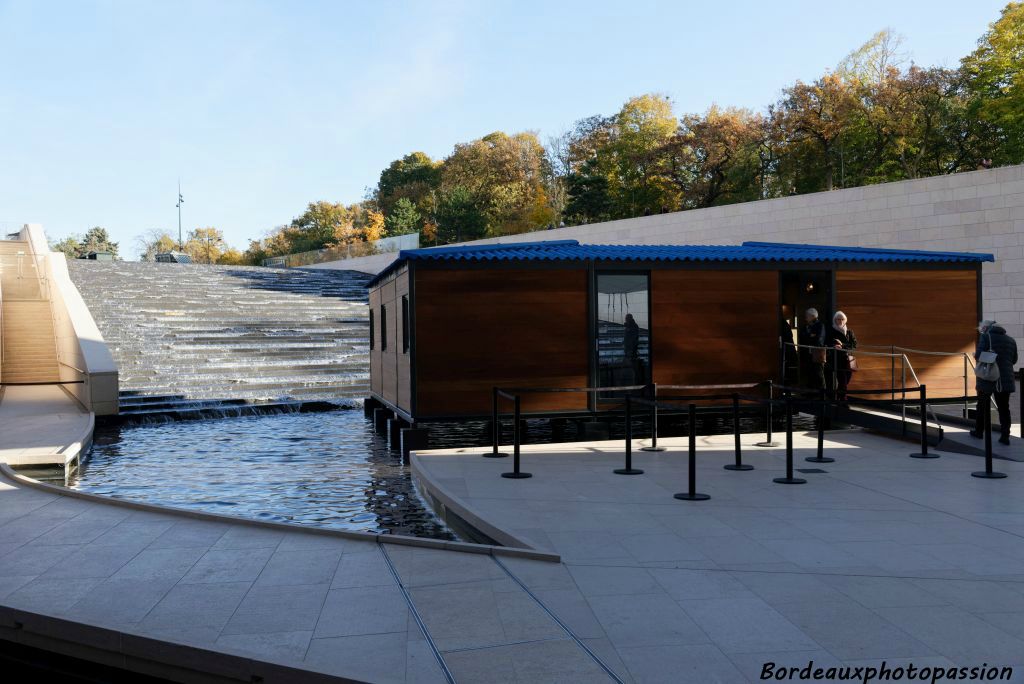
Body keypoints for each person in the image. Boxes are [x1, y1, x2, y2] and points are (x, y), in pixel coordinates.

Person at [971, 320, 1018, 445]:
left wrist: (975, 354)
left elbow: (979, 355)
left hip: (988, 377)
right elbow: (1014, 360)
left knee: (982, 406)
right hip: (1006, 378)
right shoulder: (1011, 340)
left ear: (987, 328)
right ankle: (1005, 436)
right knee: (1004, 408)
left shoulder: (986, 337)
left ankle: (979, 432)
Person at [825, 311, 858, 401]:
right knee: (842, 381)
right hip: (837, 360)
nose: (840, 321)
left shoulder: (849, 332)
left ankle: (839, 397)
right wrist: (834, 346)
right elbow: (827, 343)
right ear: (835, 320)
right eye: (838, 319)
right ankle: (843, 401)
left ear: (845, 320)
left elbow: (854, 345)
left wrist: (842, 345)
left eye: (842, 319)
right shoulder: (831, 331)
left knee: (846, 380)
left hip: (848, 360)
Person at [799, 308, 826, 390]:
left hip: (817, 354)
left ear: (812, 316)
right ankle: (811, 394)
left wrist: (808, 336)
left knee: (819, 374)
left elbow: (818, 339)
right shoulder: (806, 326)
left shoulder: (820, 325)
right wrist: (810, 336)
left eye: (807, 316)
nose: (805, 317)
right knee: (809, 374)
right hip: (807, 354)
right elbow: (801, 337)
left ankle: (822, 395)